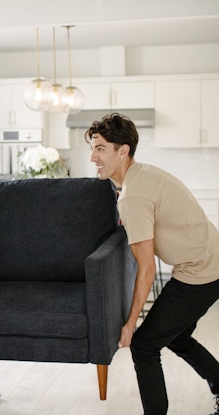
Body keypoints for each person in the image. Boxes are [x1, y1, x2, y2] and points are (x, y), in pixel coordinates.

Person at [86, 112, 219, 415]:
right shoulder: (140, 175)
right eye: (92, 148)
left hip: (200, 271)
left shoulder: (133, 195)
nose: (93, 157)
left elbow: (146, 269)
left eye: (101, 148)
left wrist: (130, 325)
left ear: (123, 151)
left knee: (144, 345)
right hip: (210, 258)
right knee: (178, 338)